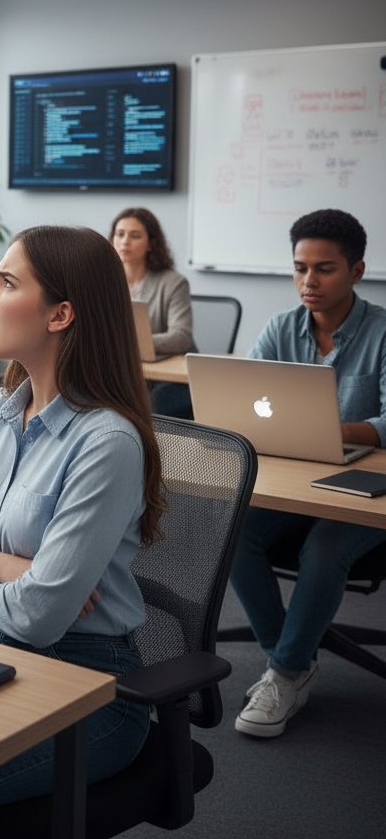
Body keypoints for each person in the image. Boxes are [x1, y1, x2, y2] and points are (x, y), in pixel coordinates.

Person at [0, 225, 166, 837]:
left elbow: (44, 617)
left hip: (92, 686)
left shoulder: (106, 443)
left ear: (61, 314)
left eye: (7, 283)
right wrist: (1, 565)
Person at [230, 208, 385, 739]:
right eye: (300, 268)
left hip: (369, 485)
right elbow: (244, 402)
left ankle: (286, 671)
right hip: (297, 477)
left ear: (357, 271)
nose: (308, 282)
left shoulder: (383, 332)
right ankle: (290, 664)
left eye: (324, 269)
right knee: (235, 532)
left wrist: (331, 428)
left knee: (323, 549)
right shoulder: (279, 328)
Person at [109, 206, 195, 417]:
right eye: (119, 234)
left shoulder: (173, 283)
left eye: (135, 235)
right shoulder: (106, 281)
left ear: (151, 243)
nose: (125, 241)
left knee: (146, 408)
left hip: (166, 378)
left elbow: (182, 337)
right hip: (123, 372)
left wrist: (128, 343)